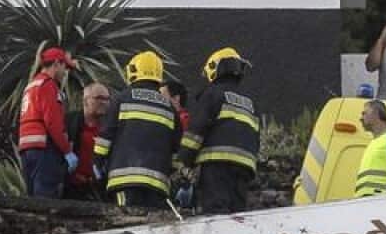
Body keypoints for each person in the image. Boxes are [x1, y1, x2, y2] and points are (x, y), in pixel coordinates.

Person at [95, 52, 182, 211]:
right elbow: (177, 149)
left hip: (124, 179)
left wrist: (97, 162)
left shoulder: (121, 99)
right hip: (157, 184)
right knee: (154, 223)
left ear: (133, 71)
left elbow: (105, 137)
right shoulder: (170, 108)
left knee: (127, 218)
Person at [180, 47, 261, 215]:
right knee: (237, 216)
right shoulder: (250, 102)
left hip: (217, 165)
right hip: (244, 168)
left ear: (214, 68)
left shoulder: (212, 94)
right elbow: (256, 136)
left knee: (216, 213)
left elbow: (196, 131)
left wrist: (184, 160)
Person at [17, 47, 77, 198]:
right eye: (64, 67)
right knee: (45, 199)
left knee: (33, 199)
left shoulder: (31, 85)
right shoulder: (48, 85)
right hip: (44, 149)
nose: (65, 73)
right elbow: (53, 123)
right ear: (56, 64)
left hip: (27, 149)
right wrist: (67, 151)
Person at [63, 82, 110, 199]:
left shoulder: (110, 128)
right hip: (71, 188)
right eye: (99, 98)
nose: (104, 102)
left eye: (107, 99)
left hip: (100, 190)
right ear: (85, 101)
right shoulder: (69, 122)